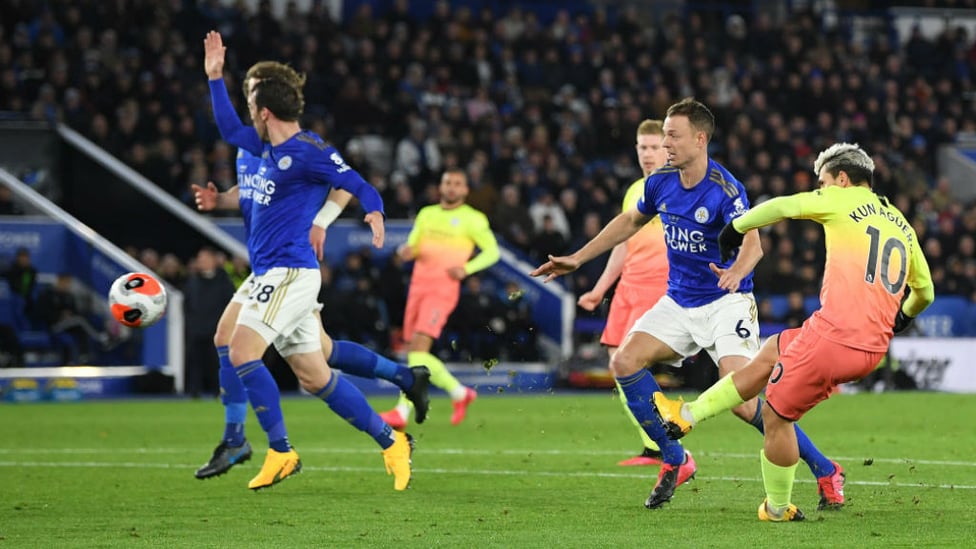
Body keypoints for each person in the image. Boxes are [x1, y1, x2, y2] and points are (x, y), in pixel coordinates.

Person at [530, 98, 842, 510]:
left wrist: (736, 271)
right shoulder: (659, 182)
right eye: (662, 136)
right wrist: (578, 257)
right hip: (678, 301)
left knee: (744, 401)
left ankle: (825, 469)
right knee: (623, 362)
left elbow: (754, 244)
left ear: (699, 139)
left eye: (672, 136)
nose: (665, 144)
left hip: (726, 303)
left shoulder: (725, 189)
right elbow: (628, 222)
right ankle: (676, 459)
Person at [653, 143, 934, 521]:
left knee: (776, 417)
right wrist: (902, 317)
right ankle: (688, 413)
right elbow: (926, 292)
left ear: (842, 179)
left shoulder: (841, 200)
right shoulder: (901, 222)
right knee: (772, 350)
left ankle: (778, 507)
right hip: (870, 348)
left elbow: (784, 205)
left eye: (823, 182)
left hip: (835, 338)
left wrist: (736, 227)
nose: (821, 188)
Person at [200, 30, 418, 491]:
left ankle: (279, 450)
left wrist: (375, 211)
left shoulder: (309, 151)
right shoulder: (264, 148)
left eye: (250, 103)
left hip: (290, 272)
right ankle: (391, 440)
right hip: (271, 271)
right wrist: (215, 79)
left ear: (263, 112)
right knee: (314, 375)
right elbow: (231, 138)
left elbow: (358, 183)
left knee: (240, 350)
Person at [576, 119, 670, 467]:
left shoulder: (680, 186)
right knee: (619, 366)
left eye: (654, 147)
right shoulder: (635, 190)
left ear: (668, 146)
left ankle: (664, 437)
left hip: (659, 286)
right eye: (642, 147)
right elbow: (622, 243)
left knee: (632, 363)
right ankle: (654, 443)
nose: (647, 154)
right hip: (628, 287)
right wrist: (599, 289)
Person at [379, 168, 500, 429]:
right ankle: (459, 392)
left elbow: (493, 252)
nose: (452, 187)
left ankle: (402, 411)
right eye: (448, 183)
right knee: (414, 352)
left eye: (458, 183)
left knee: (419, 348)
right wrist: (407, 252)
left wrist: (466, 269)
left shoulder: (473, 219)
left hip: (442, 289)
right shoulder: (427, 213)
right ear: (441, 187)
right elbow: (414, 244)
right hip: (418, 287)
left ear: (465, 190)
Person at [182, 246, 236, 398]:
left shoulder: (225, 281)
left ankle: (220, 391)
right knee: (195, 362)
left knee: (217, 363)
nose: (202, 262)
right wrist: (191, 324)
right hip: (196, 330)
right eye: (200, 259)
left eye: (205, 259)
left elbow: (230, 305)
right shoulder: (192, 281)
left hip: (218, 331)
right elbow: (187, 305)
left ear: (214, 260)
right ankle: (194, 392)